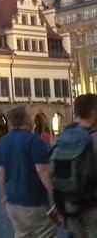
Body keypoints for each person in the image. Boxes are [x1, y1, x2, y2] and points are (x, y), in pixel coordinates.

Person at [0, 105, 56, 238]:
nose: (32, 119)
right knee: (45, 233)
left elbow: (1, 173)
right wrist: (55, 193)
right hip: (33, 201)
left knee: (22, 234)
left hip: (12, 202)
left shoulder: (2, 142)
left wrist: (4, 195)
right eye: (30, 116)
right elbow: (42, 170)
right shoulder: (35, 141)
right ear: (26, 120)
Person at [55, 94, 97, 238]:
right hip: (92, 205)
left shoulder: (64, 136)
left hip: (68, 204)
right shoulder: (93, 137)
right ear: (93, 113)